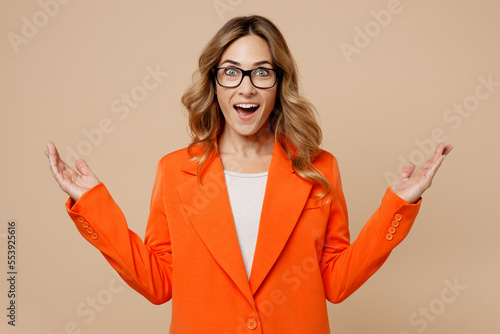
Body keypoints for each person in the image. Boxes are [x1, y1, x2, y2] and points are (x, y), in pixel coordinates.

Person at [45, 15, 453, 334]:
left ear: (278, 83)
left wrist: (399, 205)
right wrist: (92, 205)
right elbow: (158, 282)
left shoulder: (317, 168)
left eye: (261, 72)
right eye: (231, 71)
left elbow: (336, 282)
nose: (246, 88)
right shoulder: (175, 171)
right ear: (215, 82)